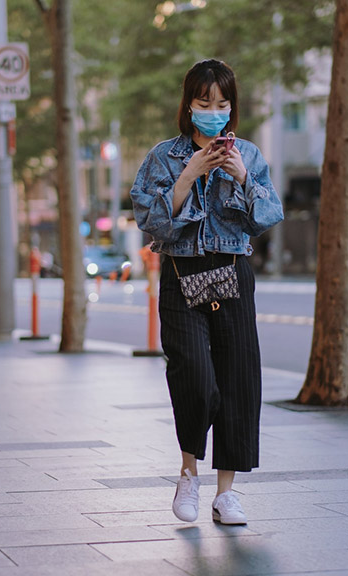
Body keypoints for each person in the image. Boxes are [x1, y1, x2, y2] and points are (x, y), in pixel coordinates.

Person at [130, 59, 283, 525]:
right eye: (204, 103)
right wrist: (187, 175)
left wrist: (241, 177)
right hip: (181, 274)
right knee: (194, 375)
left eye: (222, 103)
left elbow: (269, 216)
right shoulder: (163, 157)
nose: (214, 111)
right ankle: (188, 473)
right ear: (189, 105)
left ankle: (227, 493)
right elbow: (149, 222)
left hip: (233, 272)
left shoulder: (250, 155)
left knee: (238, 382)